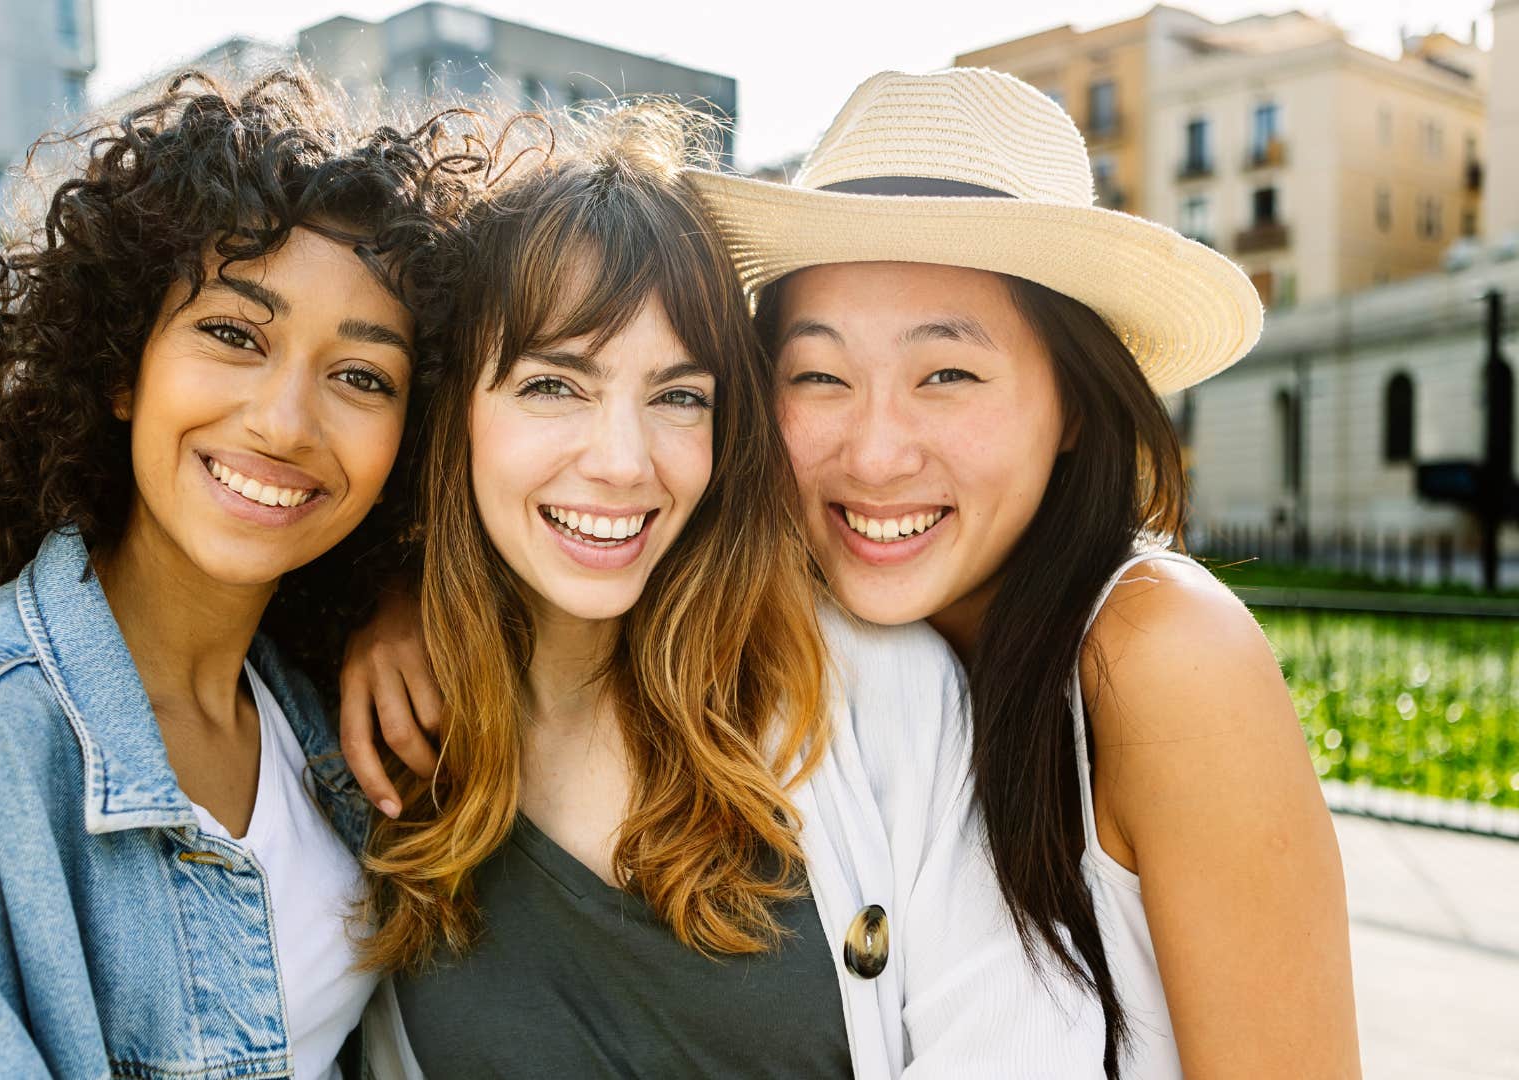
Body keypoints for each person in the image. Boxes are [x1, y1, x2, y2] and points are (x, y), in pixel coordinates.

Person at [342, 70, 1361, 1078]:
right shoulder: (799, 626)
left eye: (948, 374)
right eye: (819, 375)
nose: (876, 455)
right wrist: (405, 598)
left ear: (1077, 405)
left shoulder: (1157, 652)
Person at [0, 70, 483, 1079]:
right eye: (233, 334)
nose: (287, 422)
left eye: (361, 377)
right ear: (125, 367)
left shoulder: (312, 709)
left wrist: (409, 595)